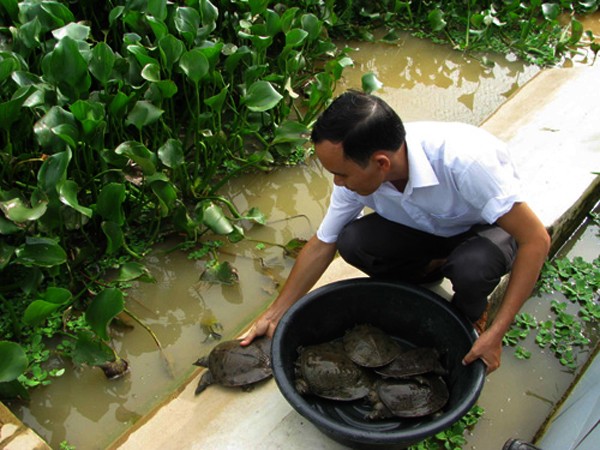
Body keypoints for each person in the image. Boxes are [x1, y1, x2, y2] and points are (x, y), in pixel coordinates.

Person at [241, 90, 550, 373]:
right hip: (425, 229)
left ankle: (472, 314)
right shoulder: (359, 175)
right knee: (353, 242)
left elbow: (535, 240)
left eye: (341, 174)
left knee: (471, 268)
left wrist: (498, 333)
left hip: (486, 229)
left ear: (381, 163)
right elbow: (324, 243)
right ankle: (432, 269)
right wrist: (273, 314)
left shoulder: (465, 162)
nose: (337, 182)